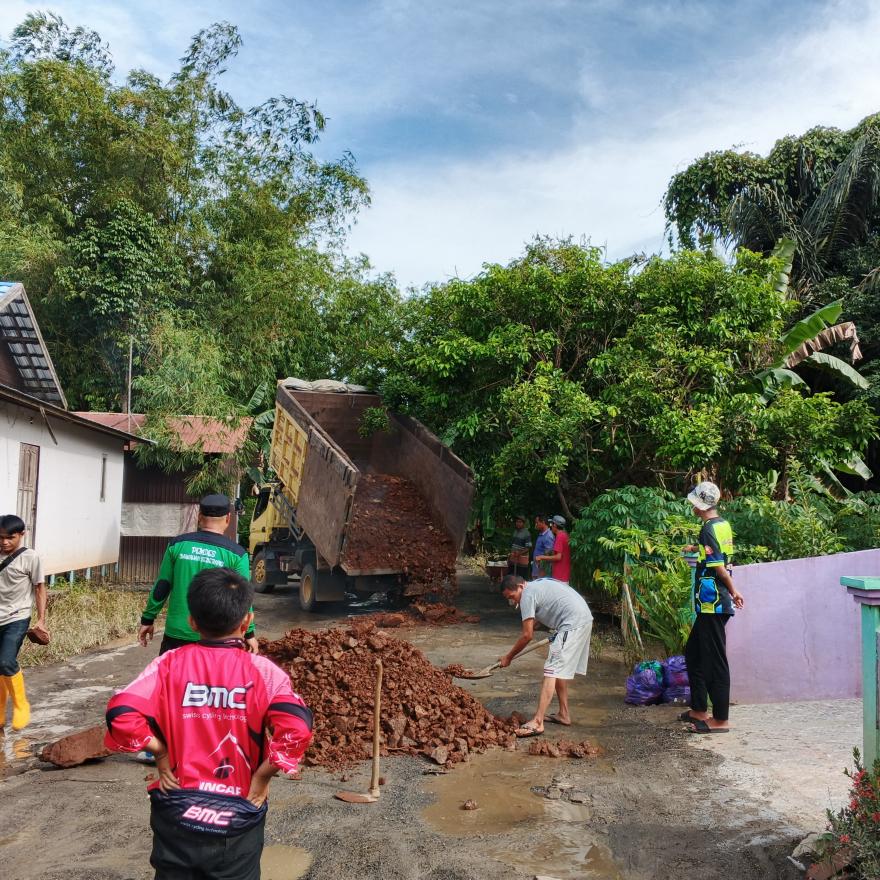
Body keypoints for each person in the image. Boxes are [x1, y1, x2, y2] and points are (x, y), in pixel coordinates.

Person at [105, 567, 313, 880]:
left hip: (177, 810)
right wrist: (262, 776)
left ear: (191, 622)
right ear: (246, 622)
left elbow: (120, 714)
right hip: (239, 812)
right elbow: (298, 729)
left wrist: (160, 753)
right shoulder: (265, 673)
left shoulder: (168, 665)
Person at [139, 494, 257, 655]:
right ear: (228, 519)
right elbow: (243, 597)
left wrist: (148, 619)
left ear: (199, 516)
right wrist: (249, 633)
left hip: (177, 633)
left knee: (172, 679)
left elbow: (163, 585)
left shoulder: (177, 545)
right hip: (218, 637)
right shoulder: (237, 554)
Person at [681, 481, 744, 734]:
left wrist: (733, 589)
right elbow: (719, 553)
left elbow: (719, 565)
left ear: (699, 505)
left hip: (713, 603)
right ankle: (698, 709)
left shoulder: (707, 529)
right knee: (693, 653)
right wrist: (696, 549)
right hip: (711, 603)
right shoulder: (722, 525)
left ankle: (720, 719)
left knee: (715, 661)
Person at [499, 573, 592, 736]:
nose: (515, 601)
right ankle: (564, 714)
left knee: (551, 670)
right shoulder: (536, 585)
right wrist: (533, 625)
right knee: (559, 670)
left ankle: (538, 721)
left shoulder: (527, 594)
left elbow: (527, 635)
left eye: (513, 596)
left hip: (572, 623)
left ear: (520, 586)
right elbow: (546, 610)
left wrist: (509, 657)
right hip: (582, 619)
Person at [0, 514, 48, 731]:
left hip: (17, 618)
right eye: (0, 538)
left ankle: (21, 705)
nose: (4, 542)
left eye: (9, 537)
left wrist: (41, 620)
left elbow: (39, 588)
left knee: (6, 661)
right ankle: (0, 714)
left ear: (21, 534)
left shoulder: (30, 557)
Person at [534, 515, 571, 583]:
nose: (551, 526)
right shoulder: (565, 535)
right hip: (564, 574)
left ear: (555, 525)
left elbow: (558, 557)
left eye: (551, 524)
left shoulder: (559, 536)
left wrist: (541, 557)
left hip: (559, 575)